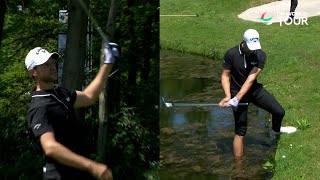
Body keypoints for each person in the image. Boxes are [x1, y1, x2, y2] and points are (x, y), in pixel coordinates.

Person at [25, 42, 119, 179]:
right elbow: (50, 147)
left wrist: (107, 63)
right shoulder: (39, 107)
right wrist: (92, 166)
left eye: (52, 63)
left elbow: (88, 97)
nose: (52, 67)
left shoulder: (59, 92)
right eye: (46, 65)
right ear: (33, 72)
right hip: (59, 175)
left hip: (77, 172)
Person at [219, 29, 285, 158]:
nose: (253, 50)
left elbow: (251, 79)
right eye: (250, 47)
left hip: (254, 90)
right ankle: (238, 167)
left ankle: (275, 135)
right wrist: (228, 96)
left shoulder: (260, 55)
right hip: (236, 91)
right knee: (240, 130)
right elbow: (225, 76)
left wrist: (237, 99)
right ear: (243, 42)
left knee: (279, 112)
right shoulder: (231, 54)